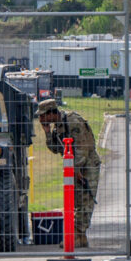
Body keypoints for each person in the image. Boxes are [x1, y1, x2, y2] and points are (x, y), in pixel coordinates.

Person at [36, 98, 100, 248]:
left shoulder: (73, 122)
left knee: (85, 199)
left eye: (43, 115)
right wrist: (46, 133)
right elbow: (55, 148)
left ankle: (78, 235)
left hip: (87, 165)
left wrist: (75, 169)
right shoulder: (58, 126)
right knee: (76, 200)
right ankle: (80, 236)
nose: (40, 119)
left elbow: (83, 149)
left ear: (52, 113)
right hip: (74, 166)